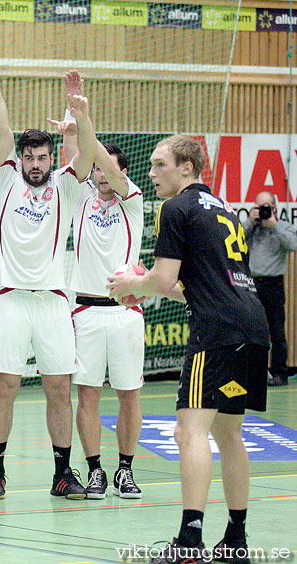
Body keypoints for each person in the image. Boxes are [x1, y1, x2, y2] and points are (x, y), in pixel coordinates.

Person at [108, 135, 269, 564]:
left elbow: (161, 283)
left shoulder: (174, 209)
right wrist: (146, 283)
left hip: (216, 332)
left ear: (186, 168)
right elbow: (195, 285)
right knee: (229, 434)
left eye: (160, 165)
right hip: (252, 325)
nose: (151, 172)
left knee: (189, 432)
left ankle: (189, 542)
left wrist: (132, 285)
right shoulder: (225, 211)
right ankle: (236, 538)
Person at [0, 60, 95, 500]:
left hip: (52, 304)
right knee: (4, 388)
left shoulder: (66, 186)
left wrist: (80, 113)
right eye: (28, 156)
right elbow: (2, 126)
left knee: (59, 388)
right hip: (11, 300)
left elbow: (86, 154)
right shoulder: (6, 179)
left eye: (42, 157)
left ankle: (63, 474)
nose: (34, 163)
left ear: (51, 159)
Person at [48, 71, 144, 500]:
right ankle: (96, 470)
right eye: (101, 172)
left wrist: (85, 120)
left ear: (121, 172)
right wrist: (73, 111)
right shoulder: (82, 196)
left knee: (128, 394)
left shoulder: (132, 199)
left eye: (111, 171)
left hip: (124, 312)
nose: (104, 176)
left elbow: (99, 157)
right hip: (84, 311)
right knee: (86, 395)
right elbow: (76, 155)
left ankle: (126, 469)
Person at [242, 191, 297, 386]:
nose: (263, 210)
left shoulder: (284, 227)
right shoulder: (249, 228)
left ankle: (280, 373)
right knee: (250, 331)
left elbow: (292, 245)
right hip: (250, 284)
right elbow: (234, 240)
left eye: (267, 206)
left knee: (277, 332)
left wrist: (274, 225)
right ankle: (252, 373)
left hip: (273, 284)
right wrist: (250, 221)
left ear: (274, 208)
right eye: (259, 206)